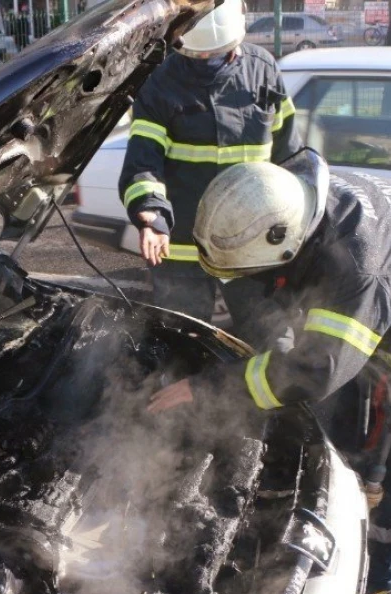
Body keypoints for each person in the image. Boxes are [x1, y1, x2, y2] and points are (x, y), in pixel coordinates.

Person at [146, 149, 391, 594]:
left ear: (284, 242)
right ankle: (351, 491)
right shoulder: (282, 199)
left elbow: (316, 373)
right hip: (385, 302)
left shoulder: (357, 263)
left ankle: (387, 569)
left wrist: (209, 387)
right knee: (349, 425)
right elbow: (260, 289)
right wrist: (273, 353)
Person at [117, 0, 302, 340]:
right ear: (181, 42)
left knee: (274, 340)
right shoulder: (160, 83)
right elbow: (144, 162)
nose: (209, 60)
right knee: (179, 345)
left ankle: (269, 392)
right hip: (184, 250)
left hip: (252, 245)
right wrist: (152, 216)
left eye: (221, 52)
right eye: (201, 55)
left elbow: (290, 155)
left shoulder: (263, 70)